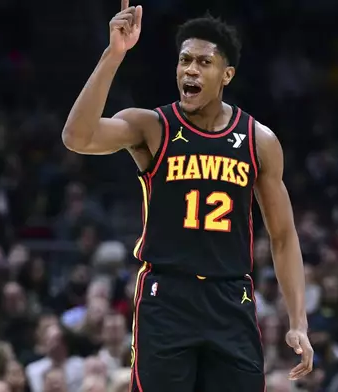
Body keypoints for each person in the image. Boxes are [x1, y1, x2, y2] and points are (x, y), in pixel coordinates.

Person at [61, 1, 313, 391]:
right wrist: (114, 55)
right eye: (184, 61)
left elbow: (282, 237)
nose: (190, 70)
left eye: (203, 62)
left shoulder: (259, 141)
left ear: (226, 74)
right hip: (166, 296)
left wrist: (298, 321)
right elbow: (77, 137)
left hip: (231, 297)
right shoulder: (152, 126)